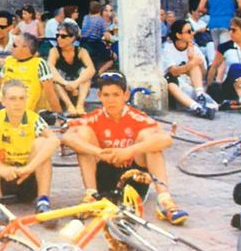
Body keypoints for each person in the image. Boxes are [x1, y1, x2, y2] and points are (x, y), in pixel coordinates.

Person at [62, 71, 188, 225]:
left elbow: (166, 139)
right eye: (106, 95)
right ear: (99, 96)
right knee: (82, 134)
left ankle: (165, 201)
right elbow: (67, 137)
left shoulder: (137, 117)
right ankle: (91, 194)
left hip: (133, 180)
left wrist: (129, 151)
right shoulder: (94, 117)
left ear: (125, 95)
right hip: (103, 178)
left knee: (150, 138)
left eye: (116, 95)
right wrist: (99, 152)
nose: (111, 100)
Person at [0, 79, 60, 228]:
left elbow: (54, 140)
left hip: (27, 178)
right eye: (12, 99)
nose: (17, 103)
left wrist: (30, 167)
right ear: (3, 101)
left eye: (21, 98)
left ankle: (43, 202)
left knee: (43, 143)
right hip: (4, 178)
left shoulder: (33, 118)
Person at [161, 20, 216, 118]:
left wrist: (195, 60)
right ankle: (196, 108)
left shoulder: (194, 48)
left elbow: (203, 73)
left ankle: (200, 96)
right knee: (171, 84)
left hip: (191, 85)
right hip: (175, 86)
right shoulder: (168, 48)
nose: (192, 34)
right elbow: (173, 72)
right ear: (178, 35)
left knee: (194, 66)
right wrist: (191, 63)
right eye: (188, 31)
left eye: (192, 30)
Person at [48, 21, 95, 116]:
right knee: (54, 78)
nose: (59, 39)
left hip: (78, 87)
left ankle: (80, 105)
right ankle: (69, 106)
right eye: (58, 35)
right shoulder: (54, 51)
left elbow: (91, 69)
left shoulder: (81, 51)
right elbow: (50, 68)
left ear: (73, 38)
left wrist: (75, 83)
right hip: (62, 87)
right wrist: (66, 84)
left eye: (63, 36)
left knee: (85, 73)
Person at [81, 1, 109, 70]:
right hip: (95, 45)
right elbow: (107, 37)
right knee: (112, 56)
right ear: (100, 10)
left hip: (83, 44)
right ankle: (99, 73)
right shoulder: (101, 20)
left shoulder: (85, 17)